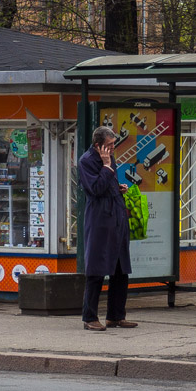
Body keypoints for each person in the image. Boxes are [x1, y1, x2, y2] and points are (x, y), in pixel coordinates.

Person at [79, 125, 135, 331]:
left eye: (113, 144)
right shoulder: (87, 161)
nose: (113, 148)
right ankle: (89, 317)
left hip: (116, 218)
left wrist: (117, 187)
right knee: (96, 269)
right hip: (100, 220)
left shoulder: (110, 158)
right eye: (109, 145)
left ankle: (116, 315)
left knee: (120, 269)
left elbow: (106, 184)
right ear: (98, 145)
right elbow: (94, 189)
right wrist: (105, 166)